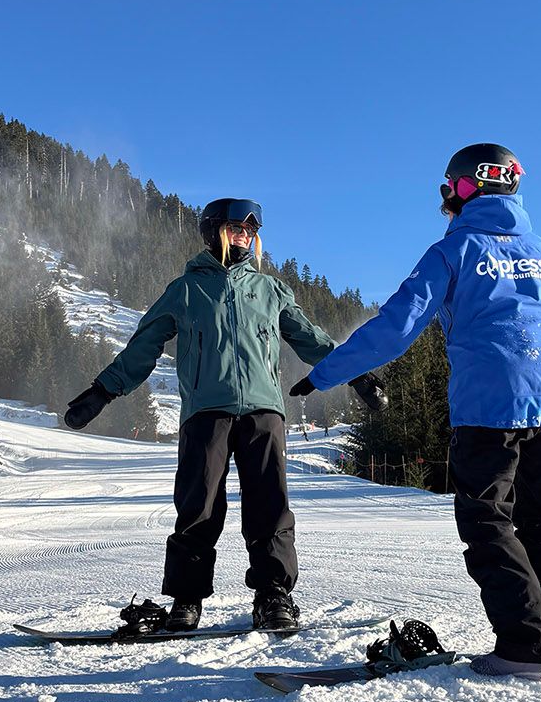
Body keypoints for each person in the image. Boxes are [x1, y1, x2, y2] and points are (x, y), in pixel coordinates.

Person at [290, 144, 541, 681]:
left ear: (461, 189)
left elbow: (396, 326)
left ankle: (526, 646)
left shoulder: (453, 251)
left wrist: (325, 374)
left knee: (487, 519)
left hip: (489, 403)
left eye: (447, 190)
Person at [64, 198, 381, 633]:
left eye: (250, 232)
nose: (244, 237)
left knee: (270, 505)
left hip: (263, 411)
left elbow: (312, 340)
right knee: (198, 506)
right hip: (205, 411)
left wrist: (357, 375)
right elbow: (144, 345)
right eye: (236, 229)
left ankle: (273, 595)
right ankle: (187, 599)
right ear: (213, 232)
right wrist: (103, 391)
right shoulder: (186, 290)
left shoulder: (270, 290)